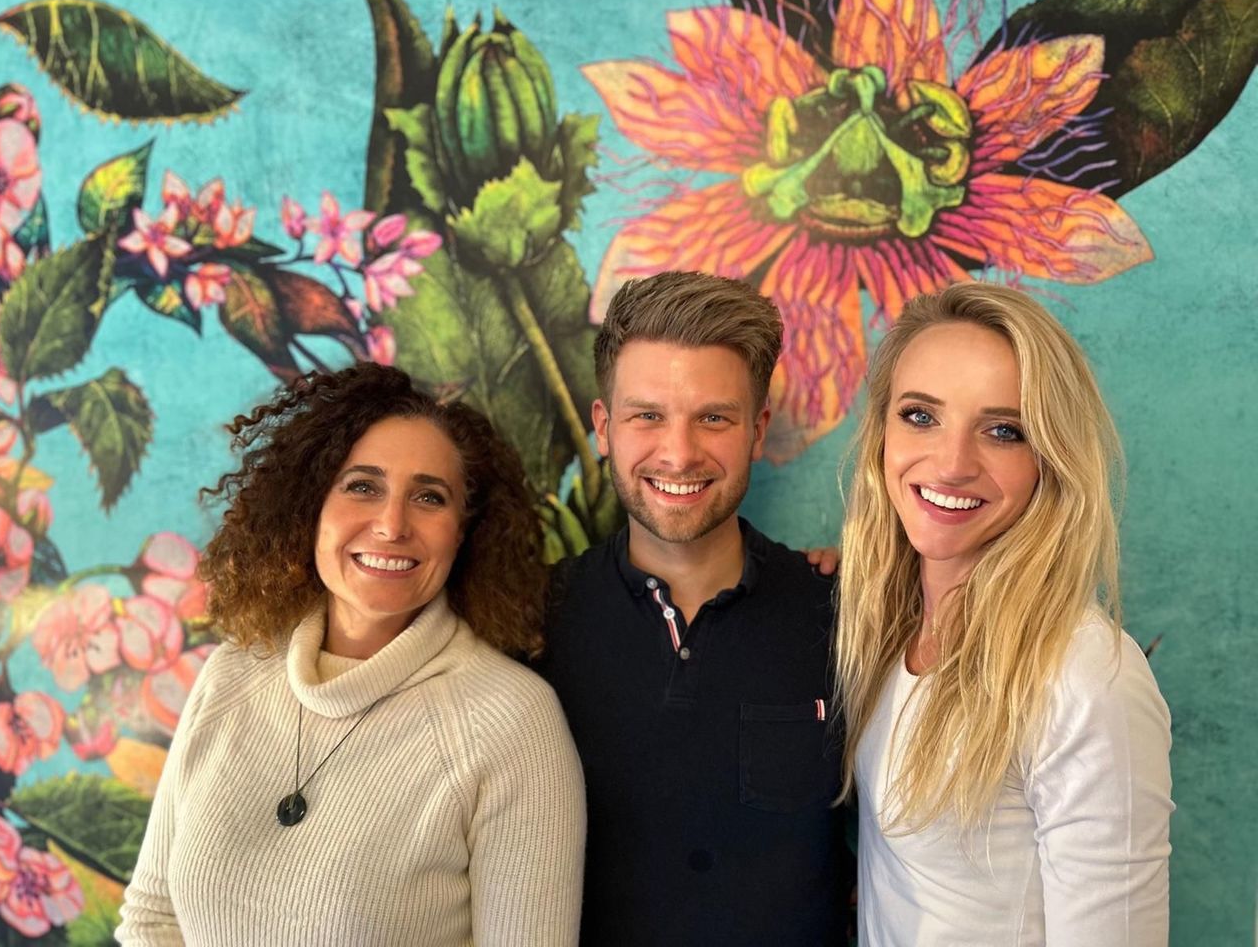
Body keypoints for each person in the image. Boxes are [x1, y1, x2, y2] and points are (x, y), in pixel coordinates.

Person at [117, 363, 586, 946]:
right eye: (363, 486)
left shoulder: (513, 723)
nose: (391, 525)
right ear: (311, 506)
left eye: (429, 497)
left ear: (463, 532)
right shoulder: (233, 672)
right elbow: (152, 917)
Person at [835, 282, 1172, 945]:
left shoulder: (1083, 675)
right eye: (920, 416)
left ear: (1051, 458)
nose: (952, 464)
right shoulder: (883, 629)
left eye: (1003, 431)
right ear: (881, 436)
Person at [534, 271, 852, 946]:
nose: (678, 454)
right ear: (604, 428)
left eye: (714, 418)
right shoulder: (531, 624)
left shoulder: (846, 615)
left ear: (758, 430)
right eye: (647, 415)